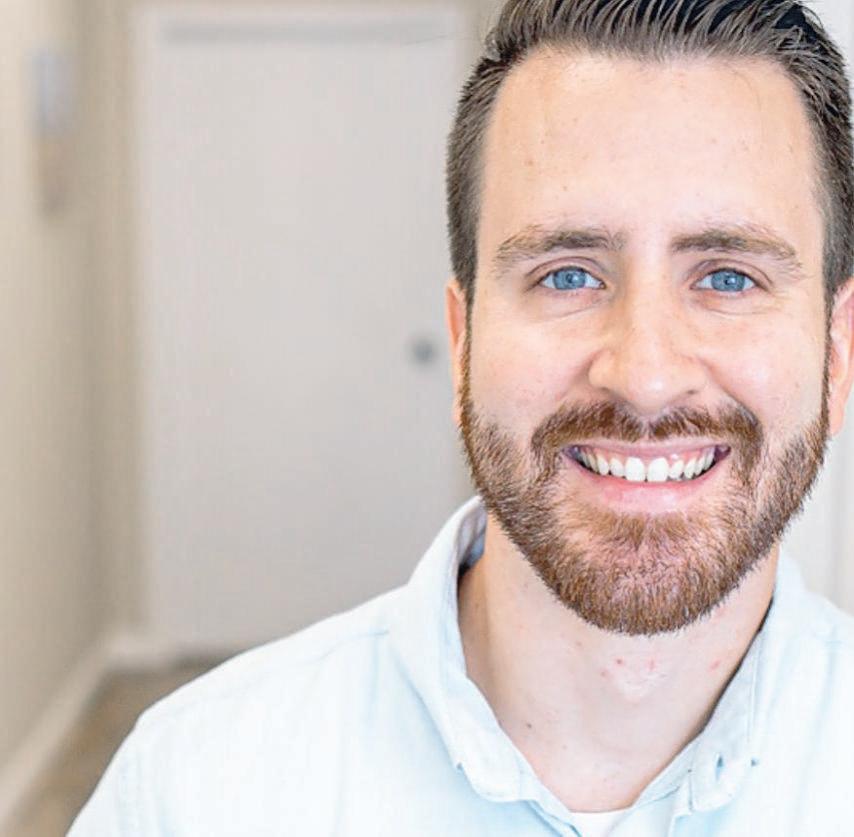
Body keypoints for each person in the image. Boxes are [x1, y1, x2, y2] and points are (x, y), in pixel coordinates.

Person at [70, 1, 854, 834]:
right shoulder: (191, 791)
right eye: (568, 275)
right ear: (462, 341)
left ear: (837, 355)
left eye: (729, 278)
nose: (646, 377)